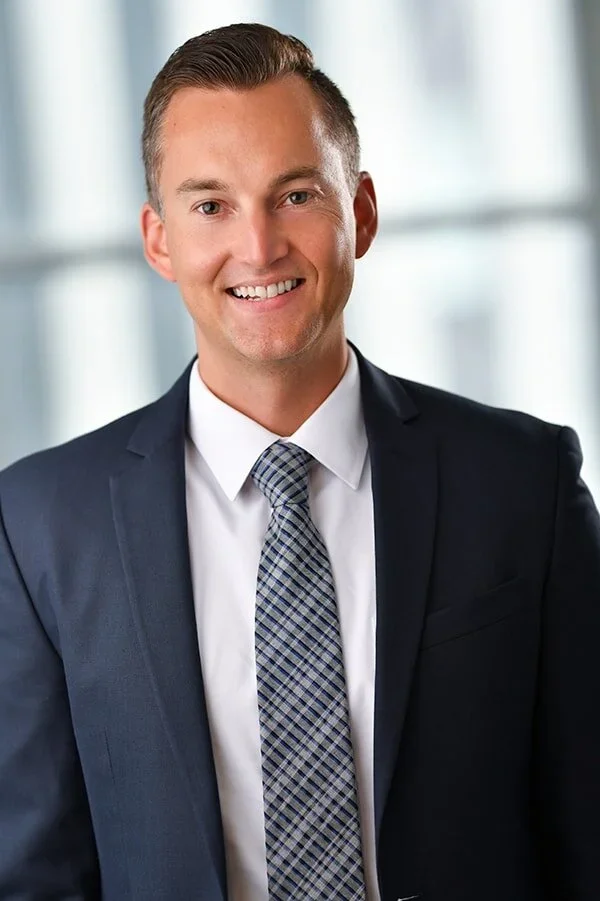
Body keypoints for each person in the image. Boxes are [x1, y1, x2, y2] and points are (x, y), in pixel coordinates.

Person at [0, 21, 599, 901]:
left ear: (361, 212)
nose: (259, 246)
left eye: (295, 195)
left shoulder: (522, 483)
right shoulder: (41, 525)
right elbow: (35, 874)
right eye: (211, 205)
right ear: (159, 239)